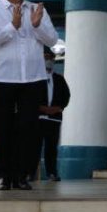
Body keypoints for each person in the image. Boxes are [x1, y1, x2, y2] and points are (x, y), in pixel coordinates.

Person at [0, 0, 58, 190]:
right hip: (2, 77)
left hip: (32, 78)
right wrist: (12, 26)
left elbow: (52, 39)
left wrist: (37, 25)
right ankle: (3, 175)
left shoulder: (36, 9)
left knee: (29, 128)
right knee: (2, 128)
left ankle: (22, 175)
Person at [34, 49, 70, 182]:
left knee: (51, 147)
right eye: (46, 57)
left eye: (51, 58)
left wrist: (58, 108)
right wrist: (41, 108)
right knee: (34, 147)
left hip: (54, 119)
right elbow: (30, 96)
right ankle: (29, 173)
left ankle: (52, 173)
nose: (48, 60)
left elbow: (66, 96)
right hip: (38, 118)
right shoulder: (35, 77)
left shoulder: (59, 79)